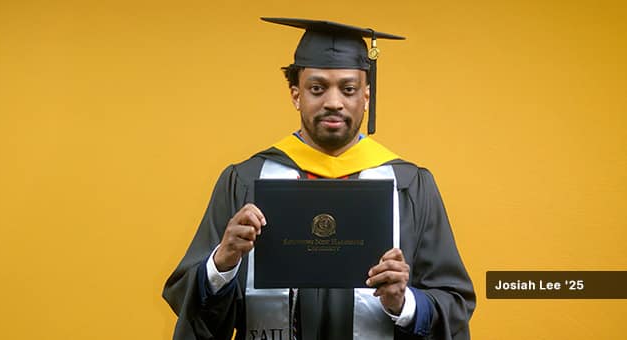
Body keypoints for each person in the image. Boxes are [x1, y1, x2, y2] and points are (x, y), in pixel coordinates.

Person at [162, 17, 476, 340]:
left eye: (349, 88)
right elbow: (193, 308)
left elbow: (453, 303)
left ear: (366, 96)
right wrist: (222, 265)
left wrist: (405, 303)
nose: (333, 102)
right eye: (317, 88)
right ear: (296, 94)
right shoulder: (245, 181)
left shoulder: (411, 187)